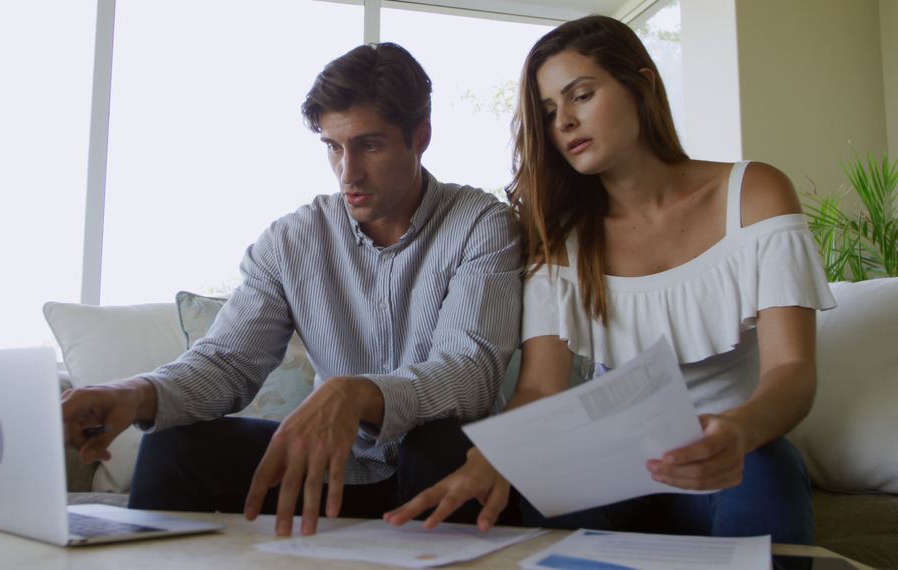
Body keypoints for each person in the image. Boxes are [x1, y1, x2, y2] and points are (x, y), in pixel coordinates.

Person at [385, 15, 835, 545]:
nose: (565, 123)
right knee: (539, 474)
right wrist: (497, 456)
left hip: (734, 458)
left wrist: (739, 431)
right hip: (612, 468)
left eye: (581, 95)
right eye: (550, 113)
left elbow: (792, 370)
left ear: (641, 84)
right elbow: (540, 388)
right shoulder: (561, 235)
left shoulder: (754, 193)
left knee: (766, 466)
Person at [60, 42, 522, 537]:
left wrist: (359, 393)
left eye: (369, 145)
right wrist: (136, 392)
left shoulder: (482, 224)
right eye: (333, 146)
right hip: (324, 470)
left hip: (436, 471)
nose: (349, 172)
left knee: (442, 439)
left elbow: (470, 373)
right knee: (172, 445)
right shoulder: (290, 240)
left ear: (420, 137)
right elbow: (227, 363)